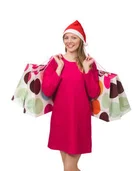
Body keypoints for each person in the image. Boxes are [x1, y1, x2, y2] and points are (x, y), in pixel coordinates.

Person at [41, 20, 100, 171]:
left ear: (81, 40)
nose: (69, 41)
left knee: (69, 168)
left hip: (79, 120)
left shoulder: (88, 63)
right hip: (61, 120)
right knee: (69, 168)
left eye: (73, 37)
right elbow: (47, 91)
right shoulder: (56, 62)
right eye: (66, 38)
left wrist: (87, 71)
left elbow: (94, 93)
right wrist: (59, 70)